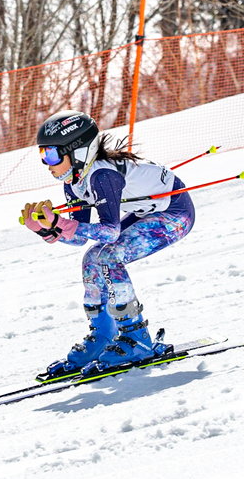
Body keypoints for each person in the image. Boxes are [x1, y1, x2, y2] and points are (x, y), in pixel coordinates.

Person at [21, 109, 195, 380]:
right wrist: (48, 229)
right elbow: (79, 239)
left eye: (52, 155)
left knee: (110, 256)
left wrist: (62, 224)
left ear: (77, 151)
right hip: (146, 213)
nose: (47, 163)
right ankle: (104, 334)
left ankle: (137, 338)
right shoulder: (74, 180)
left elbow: (110, 232)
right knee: (92, 257)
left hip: (174, 214)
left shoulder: (102, 176)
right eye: (43, 155)